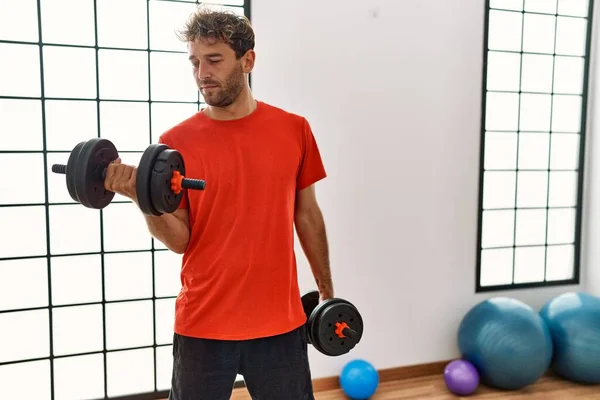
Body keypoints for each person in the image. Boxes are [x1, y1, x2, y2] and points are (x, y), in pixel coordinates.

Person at [103, 6, 333, 400]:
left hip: (280, 323)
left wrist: (327, 290)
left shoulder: (294, 130)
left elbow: (307, 215)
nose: (201, 74)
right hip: (203, 324)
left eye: (213, 60)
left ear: (248, 60)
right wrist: (144, 198)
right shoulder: (175, 143)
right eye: (194, 62)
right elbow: (180, 240)